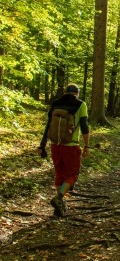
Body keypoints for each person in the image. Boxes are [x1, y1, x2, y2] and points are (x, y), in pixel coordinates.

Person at [37, 83, 90, 217]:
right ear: (76, 93)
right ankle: (59, 198)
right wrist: (87, 145)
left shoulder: (56, 103)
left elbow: (48, 126)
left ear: (66, 92)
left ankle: (58, 207)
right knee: (72, 174)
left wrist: (42, 145)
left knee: (59, 173)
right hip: (71, 145)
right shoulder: (81, 104)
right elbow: (84, 126)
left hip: (55, 145)